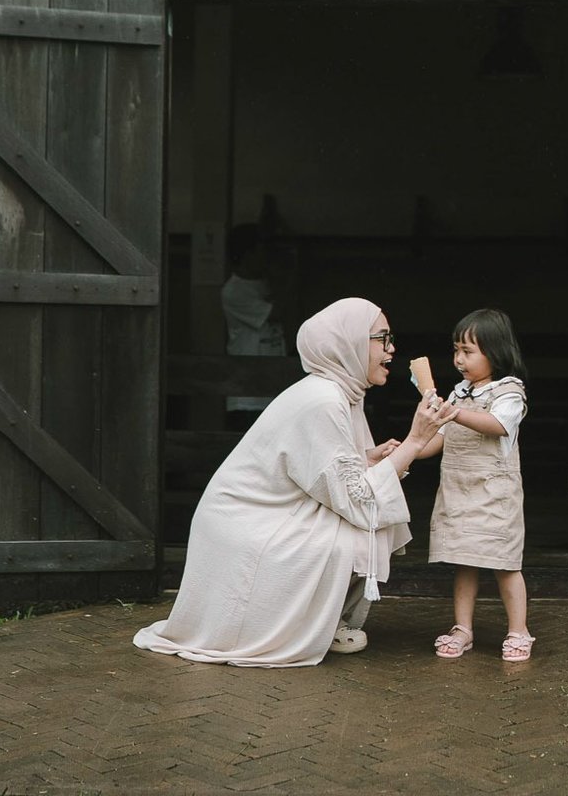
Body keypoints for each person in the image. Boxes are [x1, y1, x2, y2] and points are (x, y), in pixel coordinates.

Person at [133, 296, 443, 667]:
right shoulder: (324, 401)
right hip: (247, 527)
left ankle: (323, 620)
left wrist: (370, 458)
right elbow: (357, 500)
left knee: (377, 525)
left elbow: (330, 475)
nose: (392, 349)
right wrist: (414, 441)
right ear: (347, 342)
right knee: (356, 534)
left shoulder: (343, 394)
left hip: (273, 515)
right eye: (382, 338)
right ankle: (308, 626)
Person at [419, 306, 533, 661]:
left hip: (493, 493)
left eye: (468, 351)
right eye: (456, 350)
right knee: (463, 560)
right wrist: (409, 449)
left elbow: (498, 424)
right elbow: (442, 439)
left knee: (504, 563)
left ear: (495, 352)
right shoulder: (458, 394)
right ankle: (463, 627)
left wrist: (453, 412)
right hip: (458, 489)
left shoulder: (509, 393)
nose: (458, 359)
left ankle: (518, 630)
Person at [220, 224, 287, 416]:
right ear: (248, 254)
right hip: (247, 394)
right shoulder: (234, 291)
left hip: (273, 386)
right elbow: (276, 313)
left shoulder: (264, 284)